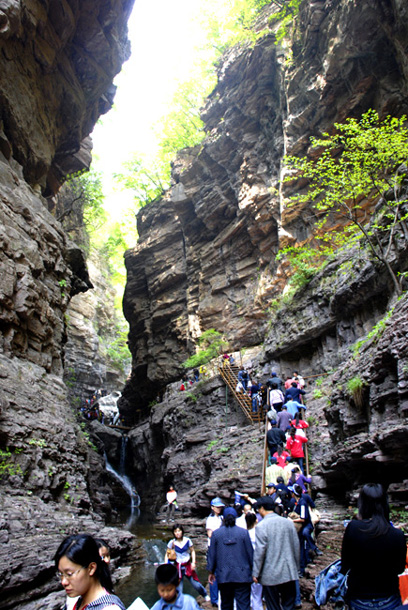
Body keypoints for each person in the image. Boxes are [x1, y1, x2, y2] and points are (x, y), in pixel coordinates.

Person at [341, 483, 406, 610]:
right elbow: (399, 569)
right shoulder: (397, 535)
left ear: (362, 503)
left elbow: (345, 566)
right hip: (389, 599)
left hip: (359, 598)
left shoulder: (353, 528)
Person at [54, 533, 125, 610]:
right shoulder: (77, 600)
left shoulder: (109, 608)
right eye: (61, 574)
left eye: (69, 574)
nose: (63, 582)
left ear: (91, 568)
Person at [252, 496, 300, 610]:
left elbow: (260, 552)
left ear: (262, 508)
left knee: (273, 606)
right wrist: (296, 568)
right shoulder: (288, 523)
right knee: (289, 605)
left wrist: (256, 573)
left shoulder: (261, 526)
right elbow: (296, 546)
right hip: (289, 572)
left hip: (270, 574)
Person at [207, 507, 253, 610]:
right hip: (243, 576)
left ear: (223, 518)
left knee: (226, 604)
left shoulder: (216, 534)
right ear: (236, 517)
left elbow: (212, 554)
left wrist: (211, 571)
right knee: (243, 605)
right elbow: (250, 554)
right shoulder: (243, 533)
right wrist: (254, 571)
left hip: (224, 576)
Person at [165, 524, 210, 600]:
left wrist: (193, 562)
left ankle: (205, 595)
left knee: (196, 584)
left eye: (179, 531)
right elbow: (167, 554)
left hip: (187, 565)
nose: (177, 533)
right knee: (179, 588)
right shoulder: (172, 542)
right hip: (178, 567)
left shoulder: (187, 540)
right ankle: (180, 605)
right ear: (173, 533)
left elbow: (192, 551)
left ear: (182, 531)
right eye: (175, 531)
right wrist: (166, 565)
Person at [289, 484, 322, 577]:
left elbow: (303, 518)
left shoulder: (302, 503)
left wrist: (292, 520)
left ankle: (315, 548)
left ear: (294, 494)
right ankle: (301, 569)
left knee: (305, 533)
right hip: (300, 526)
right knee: (300, 548)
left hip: (306, 525)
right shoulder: (296, 502)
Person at [206, 497, 225, 607]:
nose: (219, 509)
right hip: (213, 548)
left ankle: (220, 597)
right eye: (217, 507)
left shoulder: (222, 518)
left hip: (221, 548)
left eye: (220, 507)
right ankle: (214, 599)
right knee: (213, 573)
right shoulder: (210, 519)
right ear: (212, 507)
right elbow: (210, 534)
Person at [245, 512, 263, 610]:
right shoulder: (259, 533)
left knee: (251, 591)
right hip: (259, 563)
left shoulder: (245, 534)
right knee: (258, 593)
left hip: (248, 564)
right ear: (256, 520)